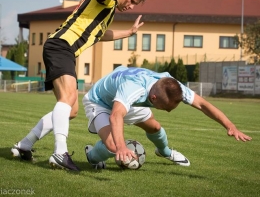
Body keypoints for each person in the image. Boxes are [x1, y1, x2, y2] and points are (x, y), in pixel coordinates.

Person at [11, 0, 154, 171]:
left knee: (71, 110)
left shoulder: (108, 10)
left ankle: (25, 145)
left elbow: (100, 34)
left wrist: (128, 33)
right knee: (67, 100)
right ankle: (60, 153)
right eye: (132, 0)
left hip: (65, 50)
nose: (131, 7)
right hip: (61, 45)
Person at [83, 66, 252, 169]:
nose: (169, 111)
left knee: (155, 127)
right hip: (99, 101)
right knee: (113, 146)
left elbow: (203, 104)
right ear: (154, 99)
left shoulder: (171, 85)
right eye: (166, 108)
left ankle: (165, 152)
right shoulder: (134, 89)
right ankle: (92, 156)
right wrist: (121, 147)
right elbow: (116, 115)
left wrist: (230, 125)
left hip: (128, 100)